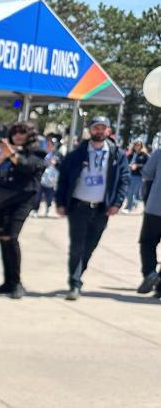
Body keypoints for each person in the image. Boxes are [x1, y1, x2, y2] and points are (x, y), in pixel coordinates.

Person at [56, 115, 127, 301]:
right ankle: (74, 283)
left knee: (89, 247)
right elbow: (63, 179)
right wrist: (60, 202)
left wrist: (117, 203)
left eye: (103, 128)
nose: (100, 131)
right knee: (77, 247)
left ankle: (78, 275)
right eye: (96, 128)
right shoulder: (77, 154)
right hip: (79, 206)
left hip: (101, 209)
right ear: (90, 130)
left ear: (109, 131)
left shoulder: (116, 154)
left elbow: (124, 180)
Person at [0, 122, 45, 299]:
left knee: (11, 237)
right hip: (3, 199)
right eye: (15, 132)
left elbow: (28, 167)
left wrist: (11, 153)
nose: (18, 135)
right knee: (3, 239)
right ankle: (8, 281)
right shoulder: (4, 153)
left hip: (22, 200)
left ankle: (17, 283)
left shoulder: (35, 152)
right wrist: (2, 157)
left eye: (22, 132)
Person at [138, 148, 161, 296]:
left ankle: (150, 273)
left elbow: (147, 174)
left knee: (147, 242)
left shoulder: (159, 153)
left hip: (155, 207)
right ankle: (160, 287)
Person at [125, 140, 149, 212]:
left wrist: (137, 166)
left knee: (134, 191)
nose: (136, 146)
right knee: (129, 191)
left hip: (139, 175)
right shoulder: (131, 154)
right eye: (135, 145)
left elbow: (148, 165)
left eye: (138, 145)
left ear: (141, 146)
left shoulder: (144, 155)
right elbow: (126, 162)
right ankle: (130, 205)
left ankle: (129, 207)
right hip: (129, 174)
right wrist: (128, 165)